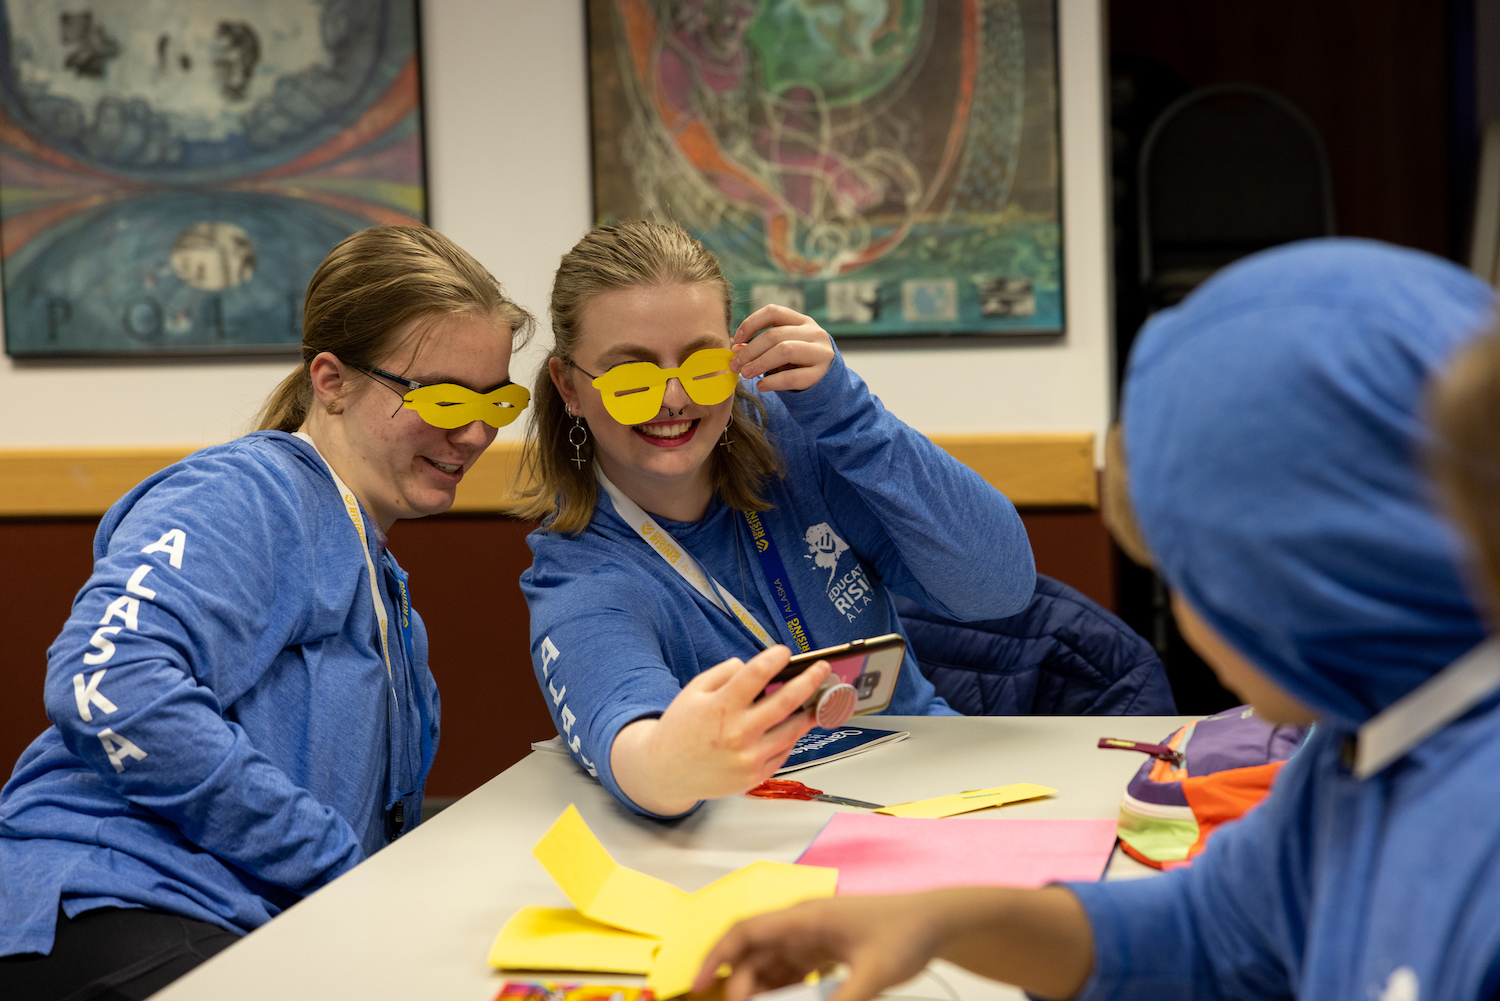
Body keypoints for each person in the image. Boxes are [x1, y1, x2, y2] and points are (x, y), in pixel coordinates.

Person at [694, 239, 1500, 1001]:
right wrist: (939, 917)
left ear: (1292, 581)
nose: (1187, 614)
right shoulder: (1366, 745)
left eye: (1189, 573)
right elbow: (1205, 929)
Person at [0, 225, 534, 999]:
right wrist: (329, 859)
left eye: (495, 401)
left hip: (237, 914)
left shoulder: (380, 580)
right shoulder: (250, 493)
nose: (477, 431)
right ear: (333, 379)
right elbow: (103, 676)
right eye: (445, 397)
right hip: (109, 899)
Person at [516, 220, 1034, 818]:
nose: (674, 398)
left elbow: (999, 587)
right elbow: (632, 735)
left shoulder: (800, 449)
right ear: (569, 388)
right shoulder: (583, 569)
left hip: (933, 785)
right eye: (632, 378)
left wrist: (851, 415)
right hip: (772, 835)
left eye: (703, 366)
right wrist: (665, 763)